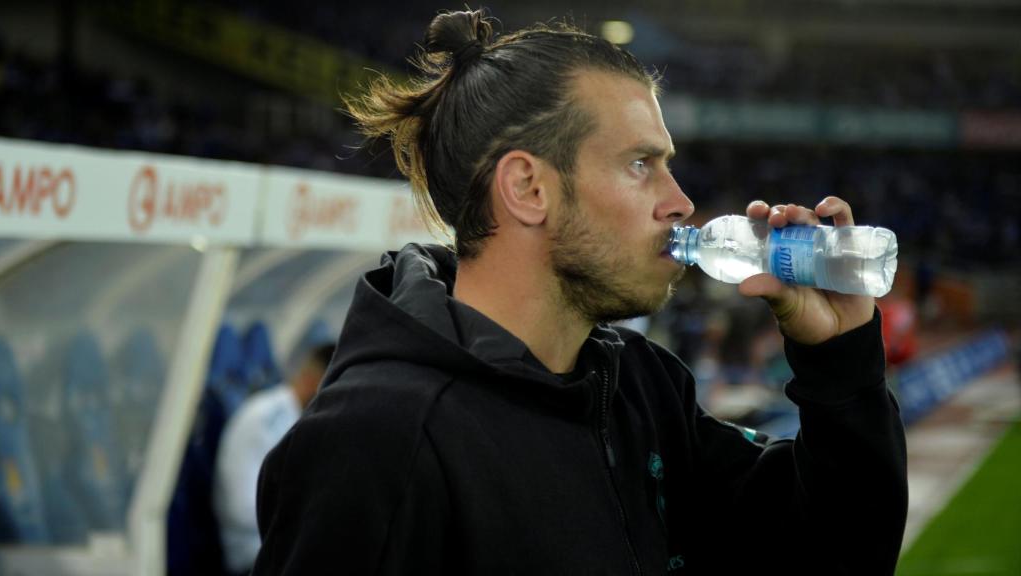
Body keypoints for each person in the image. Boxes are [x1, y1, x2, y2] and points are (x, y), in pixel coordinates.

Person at [253, 10, 907, 575]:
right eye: (639, 165)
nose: (680, 203)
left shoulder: (640, 388)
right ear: (529, 188)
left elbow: (835, 556)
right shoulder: (374, 446)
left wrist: (840, 364)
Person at [213, 343, 335, 575]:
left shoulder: (297, 418)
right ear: (313, 380)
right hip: (253, 554)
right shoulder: (265, 418)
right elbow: (239, 507)